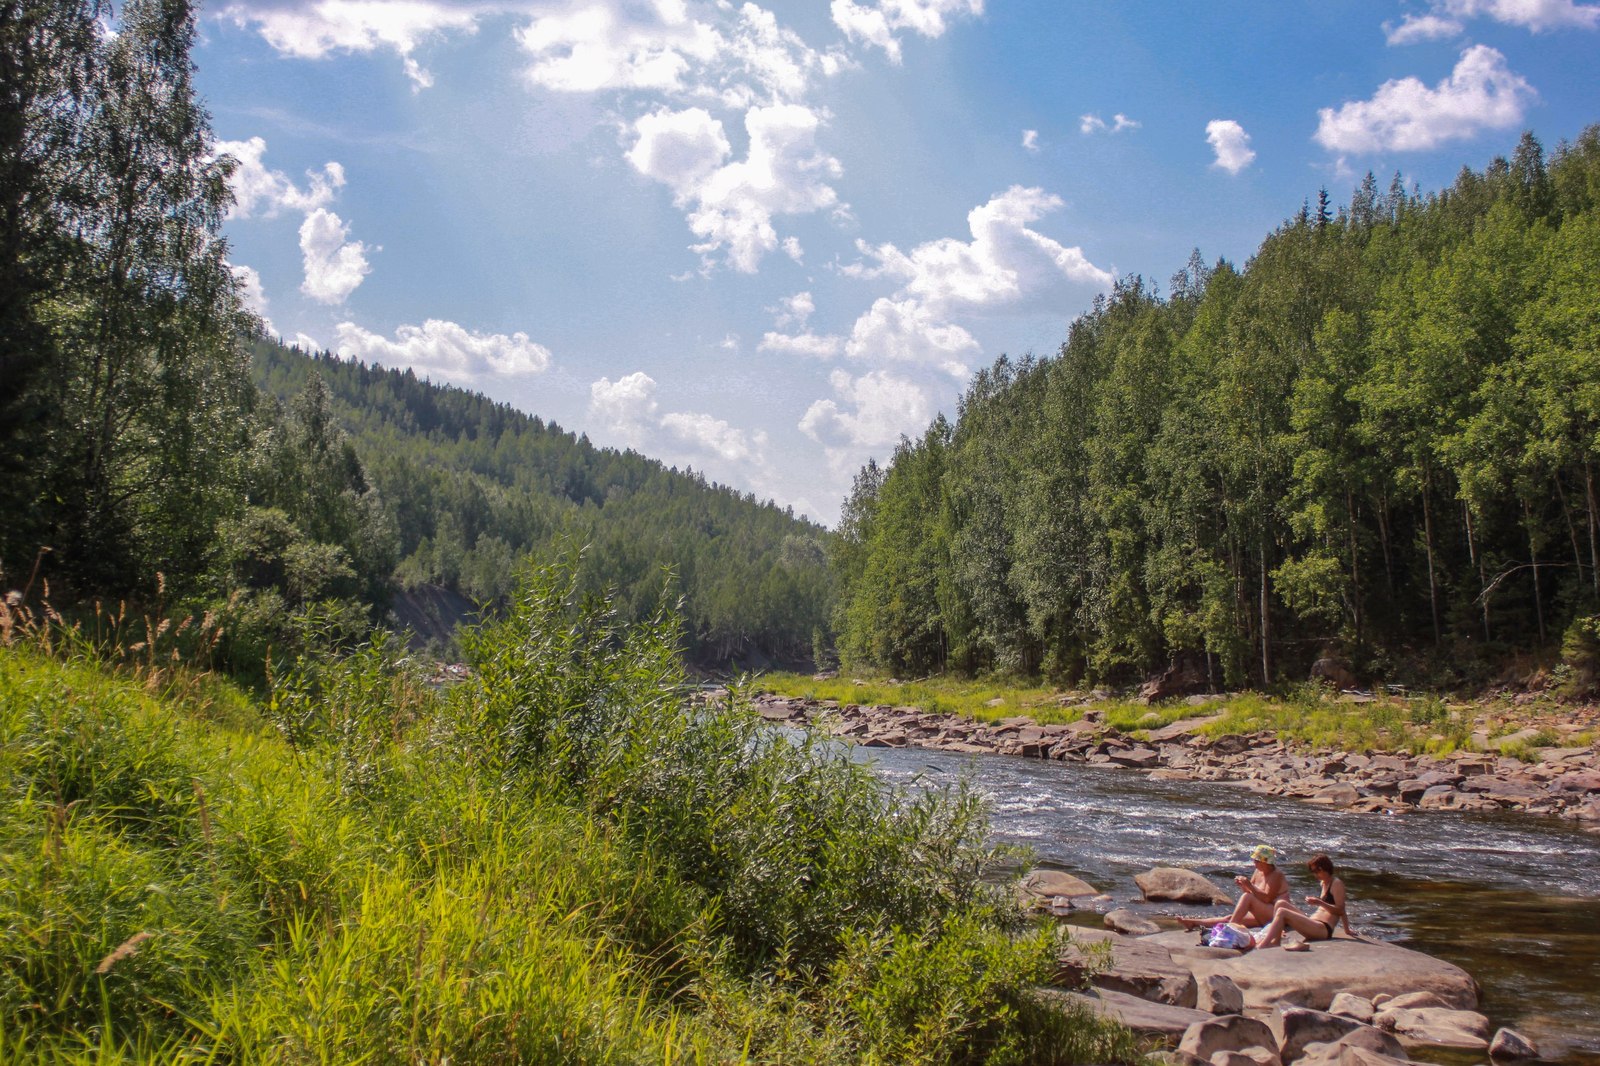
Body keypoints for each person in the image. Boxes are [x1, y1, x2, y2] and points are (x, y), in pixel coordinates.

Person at [1178, 844, 1289, 929]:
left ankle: (1230, 929)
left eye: (1257, 860)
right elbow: (1251, 893)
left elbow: (1267, 898)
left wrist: (1249, 885)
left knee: (1246, 898)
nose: (1254, 862)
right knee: (1231, 918)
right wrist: (1243, 885)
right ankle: (1195, 923)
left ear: (1265, 862)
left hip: (1276, 915)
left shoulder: (1276, 875)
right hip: (1262, 913)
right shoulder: (1258, 871)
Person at [1254, 853, 1350, 950]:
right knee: (1281, 903)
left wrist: (1319, 902)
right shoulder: (1323, 883)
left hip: (1323, 929)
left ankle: (1266, 943)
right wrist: (1347, 930)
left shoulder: (1336, 883)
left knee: (1282, 912)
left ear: (1325, 868)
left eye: (1317, 871)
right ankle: (1277, 938)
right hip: (1313, 923)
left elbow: (1341, 909)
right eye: (1313, 871)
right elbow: (1342, 908)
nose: (1315, 874)